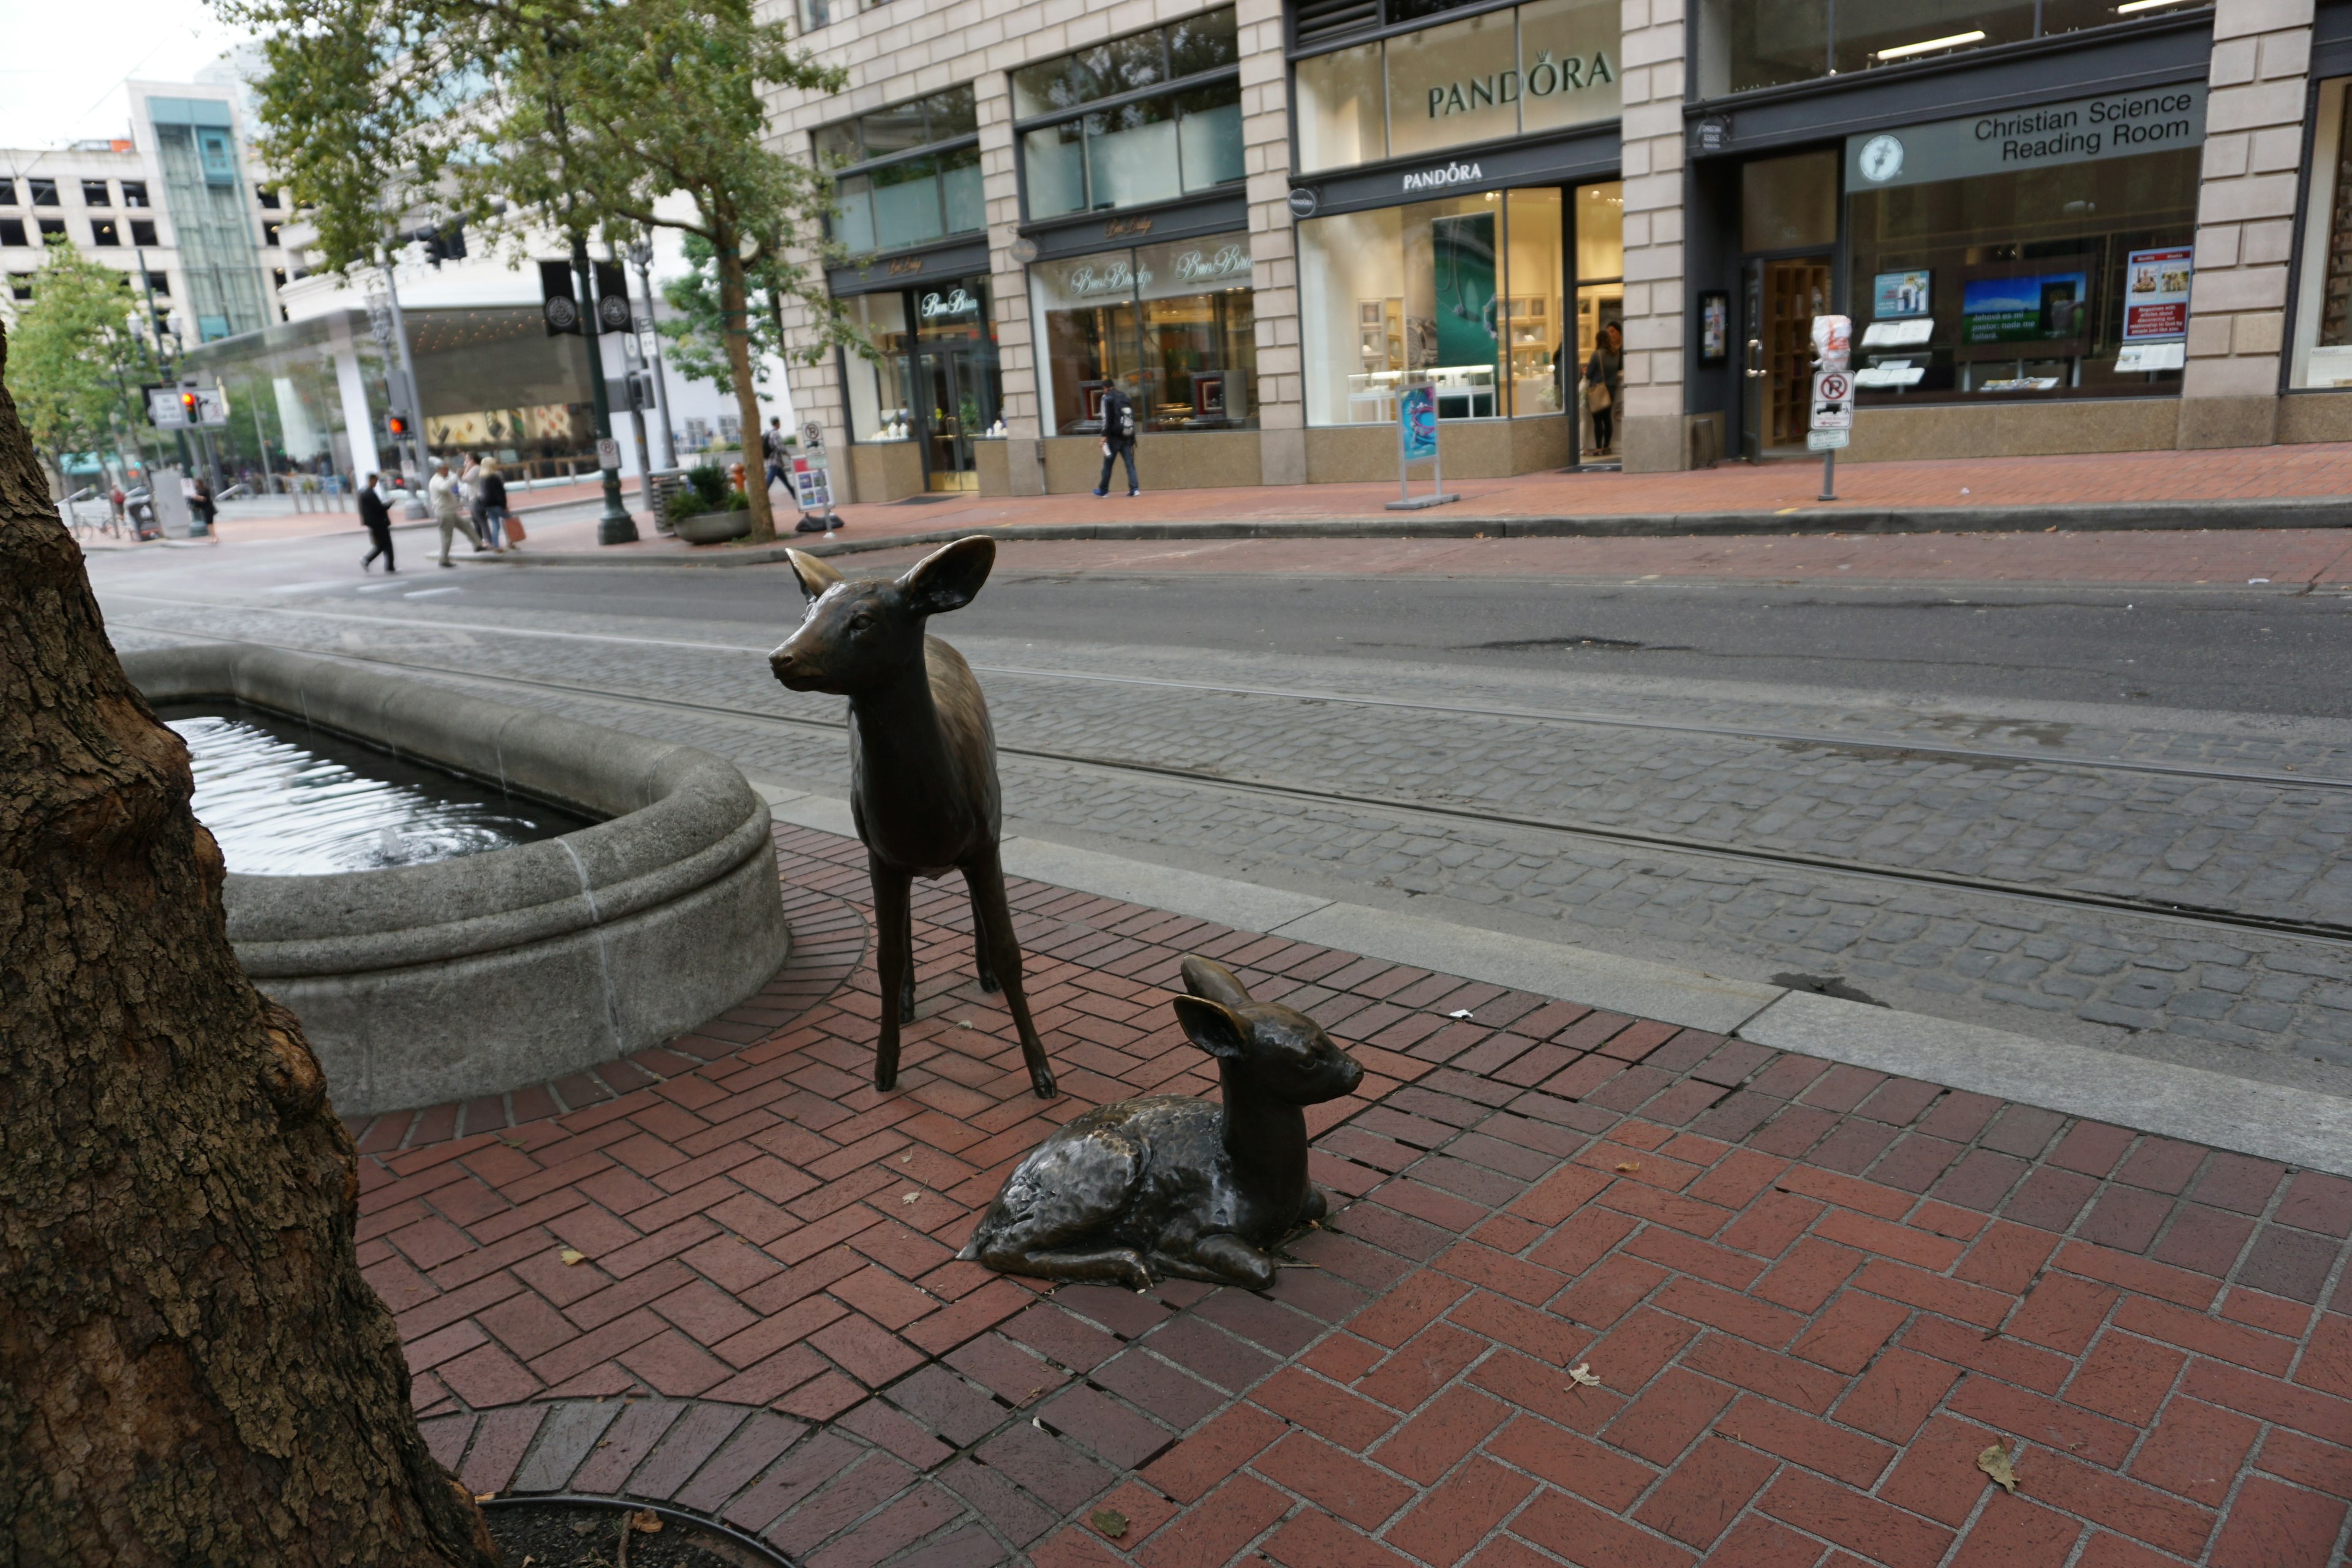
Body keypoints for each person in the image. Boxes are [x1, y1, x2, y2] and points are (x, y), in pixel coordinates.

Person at [427, 460, 488, 566]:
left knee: (466, 526)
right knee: (447, 536)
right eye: (445, 469)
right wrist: (455, 477)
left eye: (447, 469)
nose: (447, 471)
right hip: (445, 512)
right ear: (438, 470)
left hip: (449, 511)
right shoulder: (437, 480)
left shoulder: (440, 479)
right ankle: (444, 559)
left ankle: (478, 545)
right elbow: (444, 487)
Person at [1091, 382, 1140, 498]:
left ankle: (1104, 490)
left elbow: (1106, 418)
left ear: (1105, 388)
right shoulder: (1124, 396)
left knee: (1108, 465)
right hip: (1126, 435)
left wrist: (1104, 435)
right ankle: (1135, 489)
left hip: (1113, 437)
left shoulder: (1106, 398)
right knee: (1129, 464)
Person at [1585, 322, 1623, 458]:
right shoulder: (1616, 354)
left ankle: (1598, 447)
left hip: (1598, 390)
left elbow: (1589, 374)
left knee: (1597, 421)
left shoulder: (1597, 354)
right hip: (1611, 390)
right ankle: (1607, 446)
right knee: (1607, 420)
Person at [358, 472, 396, 573]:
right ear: (371, 480)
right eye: (375, 481)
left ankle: (389, 566)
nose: (376, 483)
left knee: (384, 545)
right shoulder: (369, 494)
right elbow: (379, 508)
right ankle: (368, 560)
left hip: (375, 523)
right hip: (379, 523)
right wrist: (390, 504)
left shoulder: (365, 493)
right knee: (385, 545)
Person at [478, 458, 511, 549]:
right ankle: (511, 542)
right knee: (509, 521)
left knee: (495, 524)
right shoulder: (494, 477)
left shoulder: (482, 477)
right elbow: (500, 493)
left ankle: (496, 545)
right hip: (497, 503)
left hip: (487, 503)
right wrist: (504, 506)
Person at [763, 417, 788, 495]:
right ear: (777, 423)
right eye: (779, 423)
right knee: (768, 482)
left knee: (785, 481)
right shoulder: (775, 433)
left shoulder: (769, 433)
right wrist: (787, 454)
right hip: (775, 461)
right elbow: (779, 446)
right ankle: (763, 495)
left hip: (771, 460)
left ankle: (794, 494)